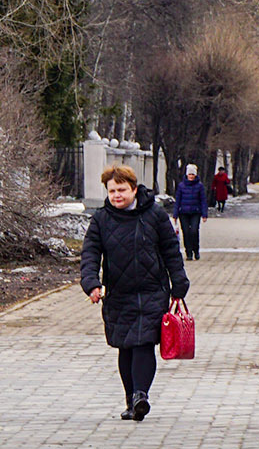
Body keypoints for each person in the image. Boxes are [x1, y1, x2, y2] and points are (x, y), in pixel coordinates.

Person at [81, 165, 189, 422]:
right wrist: (91, 283)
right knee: (125, 346)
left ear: (133, 189)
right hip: (118, 293)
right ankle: (132, 401)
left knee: (143, 343)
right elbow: (90, 253)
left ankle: (141, 394)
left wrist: (179, 283)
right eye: (112, 191)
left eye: (122, 190)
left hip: (152, 291)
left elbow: (171, 250)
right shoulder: (101, 219)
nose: (117, 195)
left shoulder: (154, 214)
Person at [172, 164, 207, 261]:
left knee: (194, 231)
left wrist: (204, 214)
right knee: (186, 232)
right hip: (183, 212)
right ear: (187, 175)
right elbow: (177, 201)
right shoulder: (181, 186)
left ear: (195, 175)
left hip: (195, 212)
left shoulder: (199, 186)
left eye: (193, 174)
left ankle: (196, 250)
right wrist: (175, 214)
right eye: (189, 174)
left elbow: (203, 200)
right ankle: (189, 252)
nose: (191, 176)